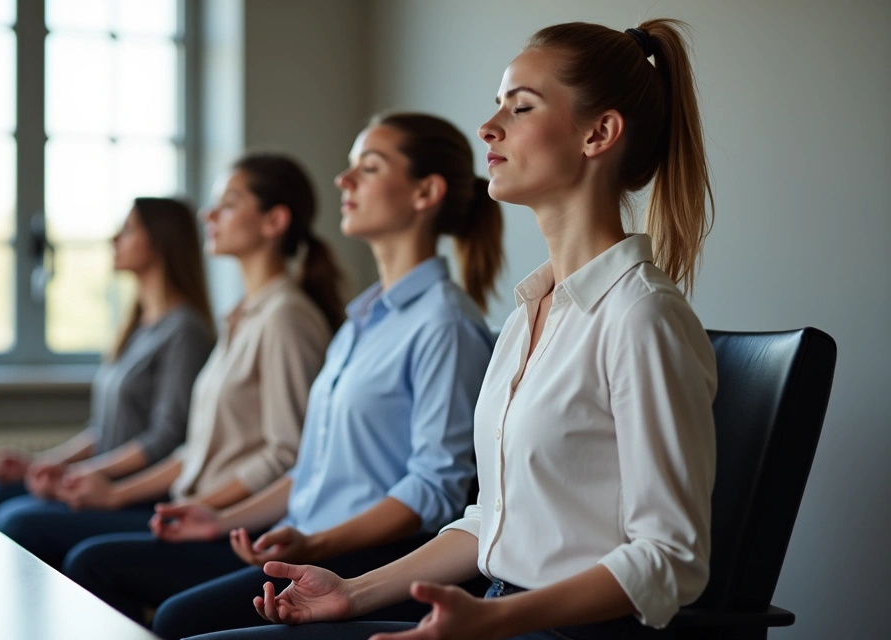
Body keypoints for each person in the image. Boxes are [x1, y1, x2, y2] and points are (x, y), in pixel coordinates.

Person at [223, 19, 718, 640]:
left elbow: (671, 558)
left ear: (599, 133)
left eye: (521, 107)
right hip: (498, 610)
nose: (488, 127)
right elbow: (493, 520)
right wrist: (351, 592)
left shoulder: (642, 316)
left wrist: (496, 617)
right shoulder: (527, 315)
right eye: (497, 105)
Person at [64, 113, 505, 640]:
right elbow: (308, 469)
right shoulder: (360, 322)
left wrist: (317, 544)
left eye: (368, 167)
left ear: (425, 192)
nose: (343, 180)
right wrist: (221, 519)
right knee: (154, 598)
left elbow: (434, 489)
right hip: (307, 540)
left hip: (367, 556)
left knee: (176, 616)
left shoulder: (445, 325)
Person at [0, 154, 342, 569]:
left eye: (229, 203)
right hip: (193, 506)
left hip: (235, 526)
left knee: (70, 550)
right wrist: (110, 492)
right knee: (19, 519)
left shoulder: (285, 318)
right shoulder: (242, 316)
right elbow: (191, 451)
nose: (209, 214)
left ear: (274, 221)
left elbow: (287, 456)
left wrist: (204, 509)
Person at [0, 197, 214, 521]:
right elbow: (104, 431)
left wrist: (78, 474)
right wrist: (42, 463)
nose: (114, 239)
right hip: (98, 478)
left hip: (137, 495)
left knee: (16, 520)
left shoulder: (185, 332)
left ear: (161, 240)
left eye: (128, 230)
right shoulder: (137, 327)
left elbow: (165, 439)